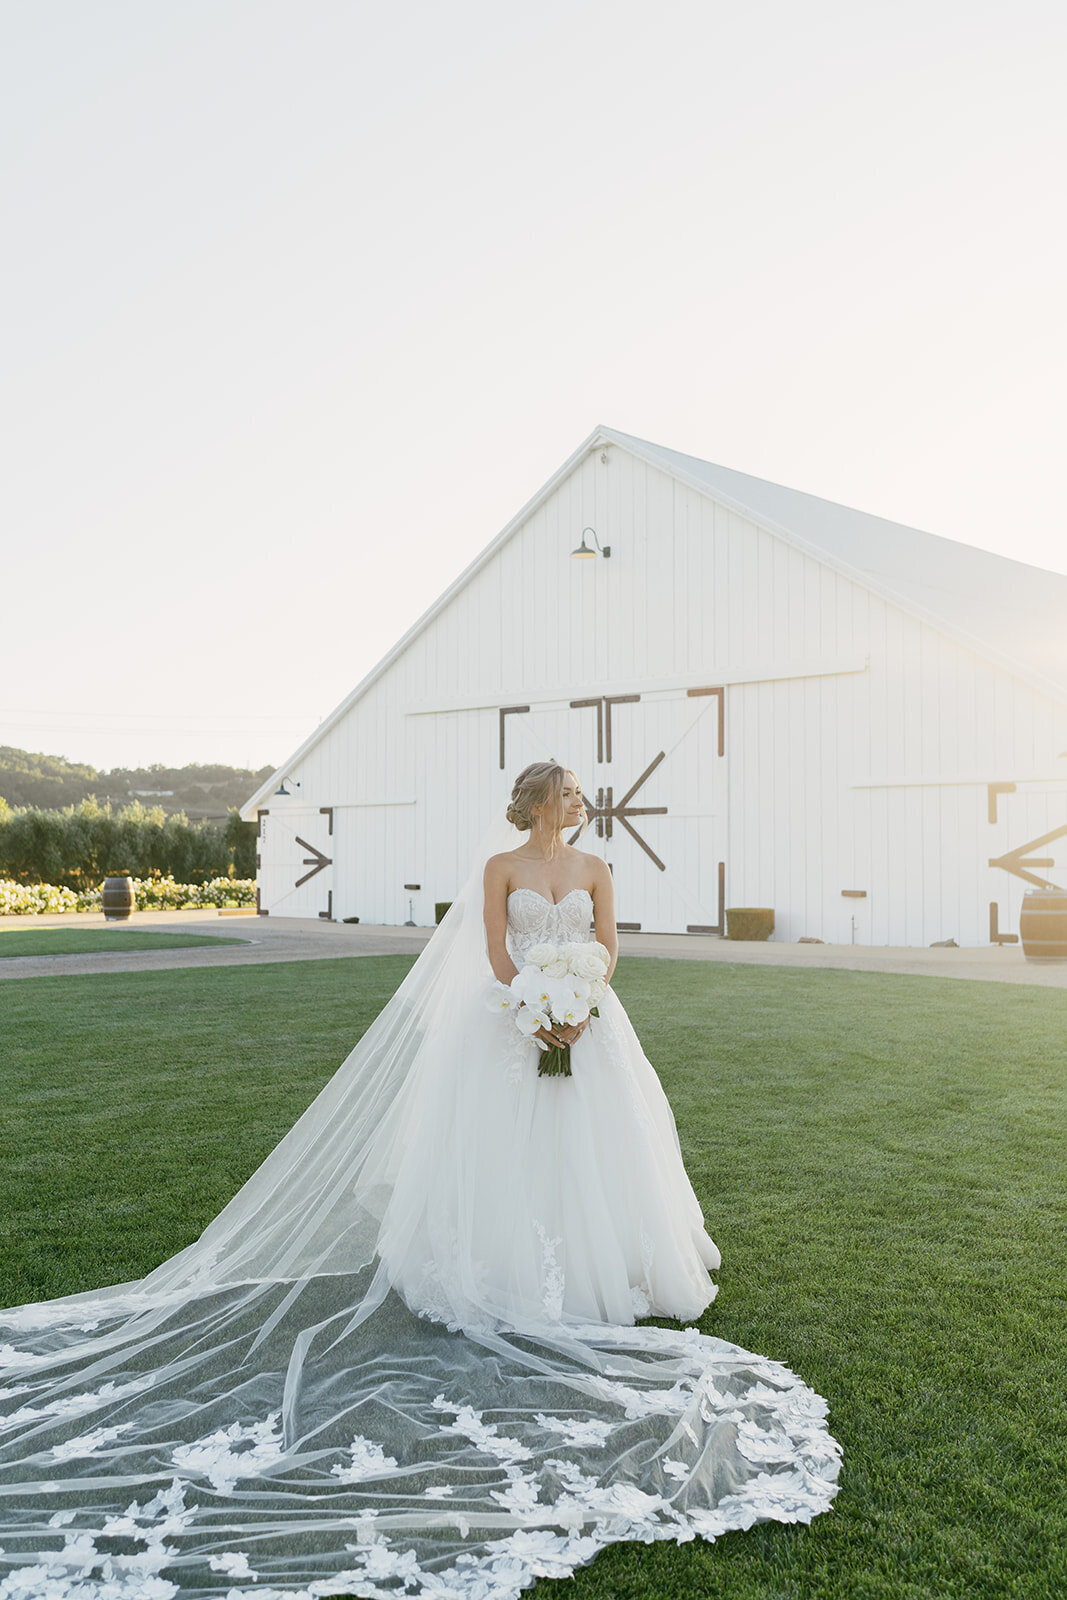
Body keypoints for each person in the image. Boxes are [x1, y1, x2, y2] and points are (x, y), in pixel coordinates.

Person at [0, 760, 841, 1600]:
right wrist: (536, 1005)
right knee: (505, 1150)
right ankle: (500, 1264)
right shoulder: (500, 868)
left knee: (596, 1148)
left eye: (583, 796)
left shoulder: (596, 868)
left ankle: (607, 1264)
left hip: (590, 1023)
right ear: (543, 802)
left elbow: (609, 947)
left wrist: (580, 1002)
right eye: (573, 794)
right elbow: (492, 952)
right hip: (513, 1023)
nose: (582, 805)